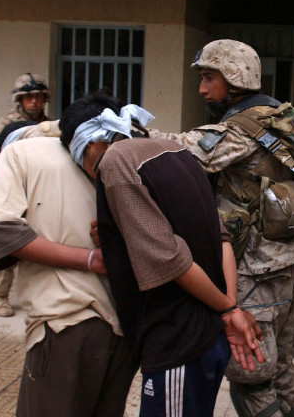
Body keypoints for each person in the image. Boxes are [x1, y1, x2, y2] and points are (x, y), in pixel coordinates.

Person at [59, 92, 264, 417]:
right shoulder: (177, 152)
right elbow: (220, 239)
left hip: (177, 342)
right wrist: (227, 305)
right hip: (208, 340)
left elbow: (169, 259)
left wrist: (228, 310)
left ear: (88, 145)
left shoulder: (115, 162)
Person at [150, 39, 294, 417]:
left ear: (235, 77)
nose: (202, 88)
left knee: (251, 375)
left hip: (255, 269)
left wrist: (119, 129)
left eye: (210, 78)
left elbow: (175, 153)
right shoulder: (282, 117)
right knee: (280, 368)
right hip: (288, 263)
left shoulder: (242, 128)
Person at [0, 102, 138, 416]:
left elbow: (1, 235)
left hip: (64, 326)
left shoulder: (17, 155)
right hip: (127, 331)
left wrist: (91, 259)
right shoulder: (121, 150)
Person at [0, 73, 51, 318]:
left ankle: (37, 296)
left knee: (38, 245)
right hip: (11, 191)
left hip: (38, 192)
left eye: (38, 97)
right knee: (7, 245)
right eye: (28, 97)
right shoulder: (6, 125)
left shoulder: (48, 126)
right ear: (20, 99)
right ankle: (0, 296)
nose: (34, 101)